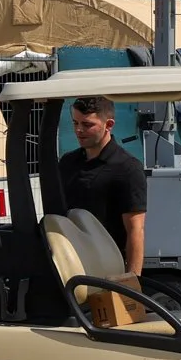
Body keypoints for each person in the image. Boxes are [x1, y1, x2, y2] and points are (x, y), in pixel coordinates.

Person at [58, 96, 146, 287]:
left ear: (109, 125)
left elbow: (135, 231)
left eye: (87, 125)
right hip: (70, 266)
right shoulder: (67, 163)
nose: (79, 130)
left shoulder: (127, 168)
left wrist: (131, 282)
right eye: (75, 123)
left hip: (108, 269)